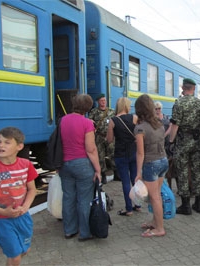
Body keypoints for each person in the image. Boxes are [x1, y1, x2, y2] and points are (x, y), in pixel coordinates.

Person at [0, 127, 38, 266]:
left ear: (19, 146)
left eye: (7, 142)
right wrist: (4, 212)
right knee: (15, 256)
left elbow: (32, 189)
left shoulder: (26, 165)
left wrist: (25, 207)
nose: (1, 145)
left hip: (23, 218)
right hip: (2, 221)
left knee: (23, 251)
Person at [59, 94, 101, 241]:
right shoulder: (87, 123)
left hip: (65, 164)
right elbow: (91, 149)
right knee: (84, 199)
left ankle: (69, 230)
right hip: (82, 164)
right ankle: (85, 233)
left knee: (68, 197)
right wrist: (98, 169)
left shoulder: (62, 120)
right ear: (88, 107)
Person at [168, 78, 200, 215]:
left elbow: (175, 124)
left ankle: (186, 205)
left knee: (183, 171)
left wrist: (171, 141)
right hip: (196, 142)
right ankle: (198, 202)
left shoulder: (179, 103)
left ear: (183, 88)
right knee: (197, 171)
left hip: (182, 142)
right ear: (194, 89)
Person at [134, 94, 169, 237]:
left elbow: (140, 153)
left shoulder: (140, 128)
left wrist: (138, 173)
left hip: (151, 163)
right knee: (157, 195)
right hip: (163, 161)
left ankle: (159, 228)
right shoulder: (159, 124)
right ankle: (155, 222)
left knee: (154, 197)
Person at [107, 97, 140, 216]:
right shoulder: (135, 118)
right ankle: (138, 205)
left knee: (125, 181)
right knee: (135, 180)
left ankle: (128, 209)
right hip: (133, 153)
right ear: (126, 106)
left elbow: (109, 140)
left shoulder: (113, 120)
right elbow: (139, 137)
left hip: (120, 154)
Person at [88, 94, 117, 184]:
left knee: (113, 154)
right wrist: (91, 121)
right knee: (100, 156)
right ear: (98, 102)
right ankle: (103, 174)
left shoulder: (111, 111)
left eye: (104, 100)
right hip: (99, 136)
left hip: (110, 136)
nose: (103, 102)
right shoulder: (94, 112)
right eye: (101, 101)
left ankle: (116, 173)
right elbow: (89, 121)